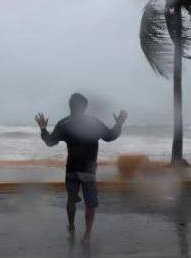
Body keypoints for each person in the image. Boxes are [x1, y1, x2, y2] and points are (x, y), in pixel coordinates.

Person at [35, 93, 128, 246]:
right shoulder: (93, 123)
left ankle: (71, 226)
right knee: (90, 203)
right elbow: (110, 136)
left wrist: (44, 129)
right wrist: (119, 124)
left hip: (72, 169)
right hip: (88, 171)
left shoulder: (64, 124)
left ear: (70, 106)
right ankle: (87, 235)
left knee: (71, 200)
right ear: (85, 107)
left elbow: (50, 142)